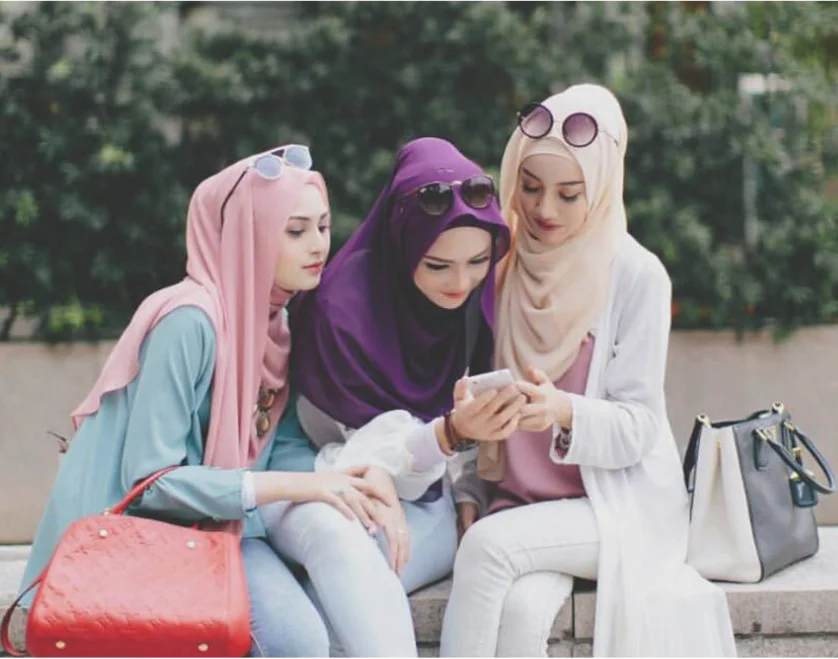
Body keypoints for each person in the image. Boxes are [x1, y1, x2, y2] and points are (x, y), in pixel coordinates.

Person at [18, 145, 387, 657]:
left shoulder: (277, 322)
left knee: (320, 618)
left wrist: (346, 477)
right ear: (247, 235)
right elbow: (151, 481)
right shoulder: (189, 322)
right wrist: (300, 485)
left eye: (323, 227)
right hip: (132, 541)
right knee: (296, 641)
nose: (318, 245)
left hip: (222, 526)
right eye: (295, 230)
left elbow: (281, 445)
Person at [441, 85, 736, 657]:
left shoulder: (636, 276)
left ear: (601, 187)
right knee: (522, 615)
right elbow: (477, 400)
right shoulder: (500, 266)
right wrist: (469, 488)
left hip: (615, 507)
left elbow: (639, 427)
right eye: (529, 187)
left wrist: (563, 410)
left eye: (569, 194)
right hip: (521, 506)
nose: (544, 210)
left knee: (485, 550)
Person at [260, 137, 522, 656]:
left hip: (421, 498)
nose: (461, 282)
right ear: (403, 245)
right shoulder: (340, 309)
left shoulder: (474, 304)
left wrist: (465, 484)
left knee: (340, 595)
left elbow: (448, 445)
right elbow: (342, 447)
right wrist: (435, 443)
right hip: (316, 475)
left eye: (477, 261)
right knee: (343, 548)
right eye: (438, 265)